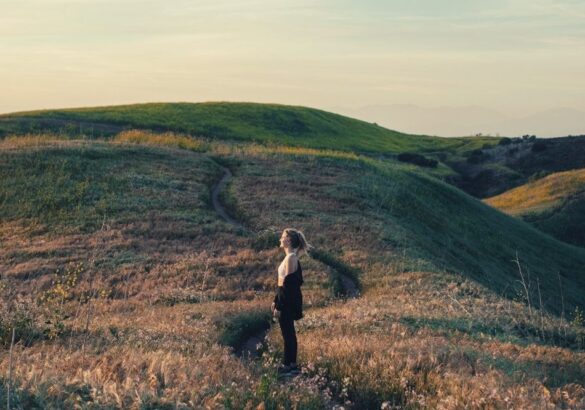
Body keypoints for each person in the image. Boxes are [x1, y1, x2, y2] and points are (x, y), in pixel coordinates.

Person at [271, 228, 313, 376]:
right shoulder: (289, 257)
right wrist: (276, 301)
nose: (280, 239)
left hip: (287, 302)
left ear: (288, 240)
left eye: (283, 237)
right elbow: (282, 284)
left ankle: (291, 366)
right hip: (285, 301)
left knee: (288, 334)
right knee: (287, 333)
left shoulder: (291, 258)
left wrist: (280, 306)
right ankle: (288, 365)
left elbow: (288, 285)